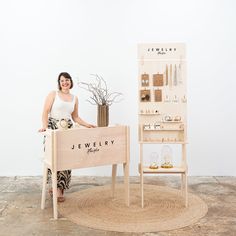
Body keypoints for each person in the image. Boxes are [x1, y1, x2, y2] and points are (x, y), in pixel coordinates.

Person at [39, 72, 95, 202]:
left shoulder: (75, 98)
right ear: (59, 83)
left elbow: (75, 117)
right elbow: (45, 111)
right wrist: (45, 127)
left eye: (67, 80)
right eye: (62, 80)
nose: (65, 82)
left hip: (67, 130)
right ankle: (53, 186)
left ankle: (60, 188)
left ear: (71, 82)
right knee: (53, 159)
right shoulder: (53, 94)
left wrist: (87, 125)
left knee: (66, 160)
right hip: (53, 128)